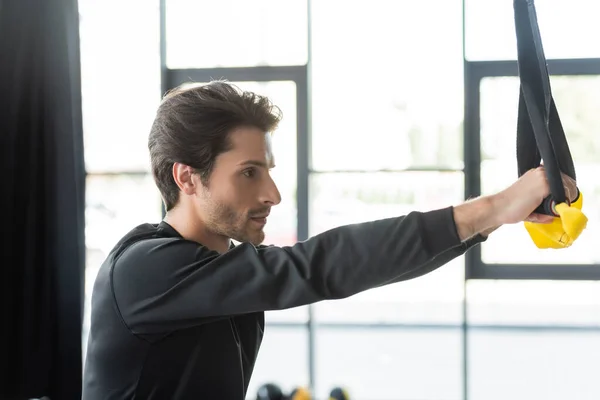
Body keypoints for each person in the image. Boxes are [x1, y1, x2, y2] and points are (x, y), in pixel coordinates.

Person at [82, 81, 575, 399]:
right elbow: (320, 266)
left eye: (269, 172)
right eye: (249, 174)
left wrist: (492, 222)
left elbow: (354, 265)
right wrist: (490, 207)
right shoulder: (144, 269)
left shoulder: (221, 269)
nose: (272, 194)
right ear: (188, 179)